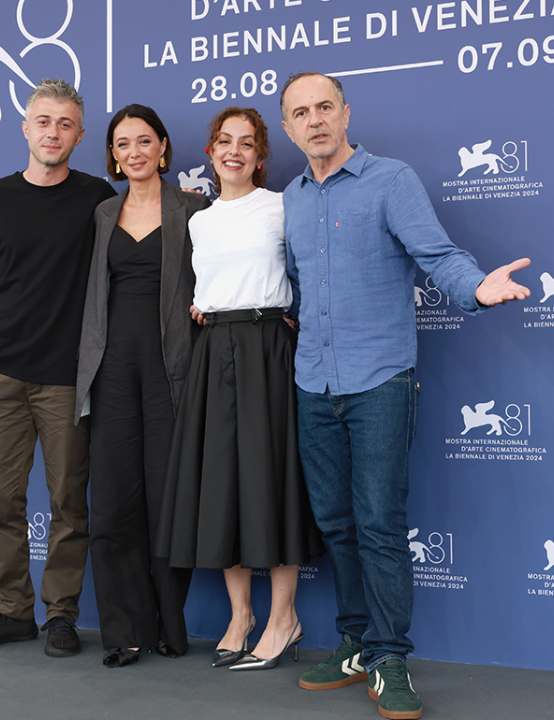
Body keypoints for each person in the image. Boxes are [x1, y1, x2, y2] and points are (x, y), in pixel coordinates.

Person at [279, 72, 531, 719]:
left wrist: (476, 290)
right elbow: (301, 290)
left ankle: (390, 657)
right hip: (313, 384)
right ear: (289, 128)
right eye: (300, 112)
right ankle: (357, 641)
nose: (315, 120)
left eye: (325, 107)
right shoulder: (292, 198)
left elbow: (438, 256)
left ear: (345, 113)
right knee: (336, 523)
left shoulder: (392, 181)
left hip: (381, 382)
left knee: (379, 523)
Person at [155, 107, 324, 671]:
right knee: (221, 483)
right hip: (213, 350)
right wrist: (203, 308)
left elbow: (310, 272)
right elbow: (198, 285)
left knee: (271, 480)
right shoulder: (198, 219)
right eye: (224, 141)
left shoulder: (282, 206)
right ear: (209, 153)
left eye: (246, 143)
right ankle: (240, 615)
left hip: (267, 348)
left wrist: (286, 318)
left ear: (260, 155)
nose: (234, 151)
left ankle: (283, 618)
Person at [0, 79, 115, 658]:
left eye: (65, 123)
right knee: (0, 501)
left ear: (78, 134)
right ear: (26, 128)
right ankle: (12, 610)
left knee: (69, 503)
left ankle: (62, 616)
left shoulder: (99, 197)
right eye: (43, 121)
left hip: (68, 378)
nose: (53, 132)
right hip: (0, 374)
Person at [75, 104, 210, 668]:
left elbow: (231, 274)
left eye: (143, 141)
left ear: (163, 148)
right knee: (111, 504)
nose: (133, 151)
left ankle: (168, 627)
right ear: (112, 154)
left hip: (171, 369)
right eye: (121, 143)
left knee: (169, 500)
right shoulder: (102, 214)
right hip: (108, 372)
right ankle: (124, 631)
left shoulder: (196, 210)